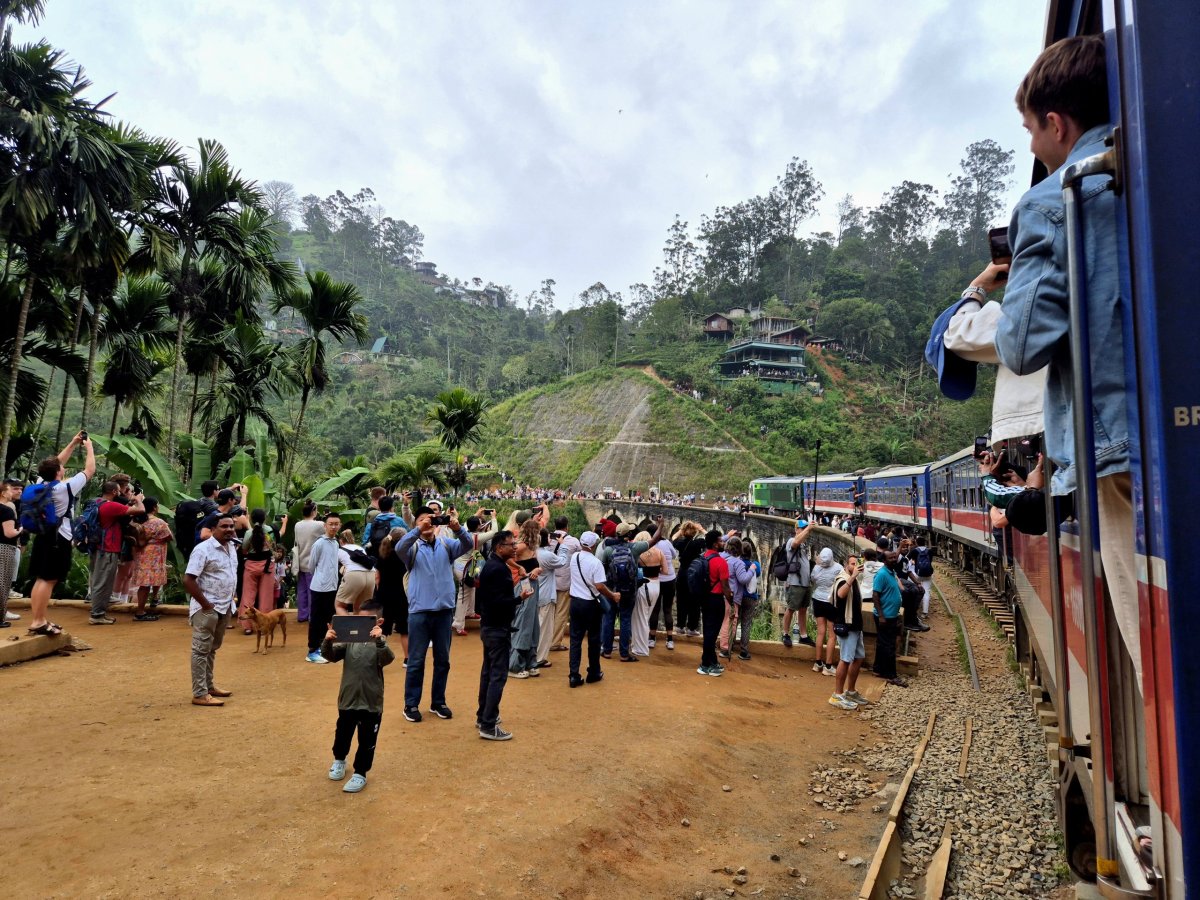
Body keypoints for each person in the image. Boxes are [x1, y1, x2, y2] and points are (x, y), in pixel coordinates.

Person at [395, 507, 474, 723]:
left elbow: (468, 545)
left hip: (443, 612)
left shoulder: (446, 545)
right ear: (417, 525)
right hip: (420, 611)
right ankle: (411, 704)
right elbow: (399, 547)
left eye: (430, 521)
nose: (427, 524)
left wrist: (458, 529)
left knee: (443, 660)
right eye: (422, 521)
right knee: (416, 660)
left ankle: (438, 702)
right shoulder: (412, 549)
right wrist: (417, 529)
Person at [321, 598, 394, 792]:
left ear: (379, 622)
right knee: (343, 734)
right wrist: (327, 641)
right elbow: (330, 656)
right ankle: (339, 760)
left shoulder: (381, 643)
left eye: (366, 621)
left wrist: (379, 640)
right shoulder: (350, 642)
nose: (359, 625)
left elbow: (388, 659)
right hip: (348, 699)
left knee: (367, 740)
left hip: (371, 702)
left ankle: (360, 772)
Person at [26, 433, 95, 636]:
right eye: (60, 468)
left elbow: (56, 463)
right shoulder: (65, 488)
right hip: (59, 538)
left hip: (43, 535)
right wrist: (89, 447)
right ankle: (38, 621)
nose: (63, 467)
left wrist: (73, 443)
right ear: (57, 472)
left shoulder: (41, 483)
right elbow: (90, 470)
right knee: (48, 579)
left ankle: (39, 619)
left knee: (42, 578)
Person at [475, 530, 533, 740]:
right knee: (497, 675)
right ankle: (488, 724)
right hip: (497, 628)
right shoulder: (498, 569)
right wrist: (520, 598)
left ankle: (484, 716)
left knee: (488, 673)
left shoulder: (493, 565)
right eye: (511, 544)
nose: (515, 547)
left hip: (490, 626)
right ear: (500, 547)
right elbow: (498, 601)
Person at [183, 514, 239, 707]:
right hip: (207, 608)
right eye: (224, 526)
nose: (229, 529)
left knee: (211, 649)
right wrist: (206, 605)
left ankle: (209, 686)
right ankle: (199, 693)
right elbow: (188, 579)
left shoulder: (232, 547)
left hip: (224, 606)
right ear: (213, 529)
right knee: (200, 650)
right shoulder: (203, 549)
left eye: (231, 526)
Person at [598, 517, 663, 662]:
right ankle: (624, 654)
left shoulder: (608, 550)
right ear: (628, 534)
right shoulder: (634, 548)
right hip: (629, 591)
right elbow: (656, 539)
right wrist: (661, 524)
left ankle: (607, 651)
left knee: (609, 619)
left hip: (612, 590)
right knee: (625, 620)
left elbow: (602, 569)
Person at [85, 479, 144, 625]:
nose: (120, 493)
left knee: (98, 579)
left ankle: (99, 610)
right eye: (118, 490)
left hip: (97, 546)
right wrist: (138, 500)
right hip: (108, 548)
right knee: (103, 581)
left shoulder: (98, 502)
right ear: (113, 492)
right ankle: (97, 615)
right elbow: (141, 510)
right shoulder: (111, 506)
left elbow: (120, 511)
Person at [566, 531, 620, 688]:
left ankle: (574, 675)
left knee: (575, 640)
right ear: (594, 545)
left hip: (575, 602)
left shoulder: (574, 557)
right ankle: (594, 672)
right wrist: (613, 595)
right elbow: (599, 586)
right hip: (590, 604)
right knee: (594, 639)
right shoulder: (596, 563)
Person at [829, 555, 871, 710]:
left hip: (856, 625)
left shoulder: (853, 579)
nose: (855, 566)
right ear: (846, 565)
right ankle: (837, 695)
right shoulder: (843, 578)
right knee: (845, 659)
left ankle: (851, 691)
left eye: (857, 563)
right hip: (846, 625)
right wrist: (853, 577)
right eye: (852, 564)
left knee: (858, 658)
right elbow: (840, 594)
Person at [306, 514, 342, 664]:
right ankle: (312, 650)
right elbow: (311, 566)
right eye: (331, 524)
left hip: (332, 587)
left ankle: (324, 647)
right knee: (316, 619)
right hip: (319, 587)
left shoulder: (335, 543)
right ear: (325, 526)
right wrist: (322, 577)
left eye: (336, 524)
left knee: (328, 618)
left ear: (339, 525)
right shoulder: (319, 543)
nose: (333, 526)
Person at [130, 497, 172, 621]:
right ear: (154, 508)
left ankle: (147, 605)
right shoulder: (159, 522)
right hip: (155, 554)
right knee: (148, 582)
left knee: (145, 581)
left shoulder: (137, 520)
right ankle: (141, 611)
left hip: (140, 552)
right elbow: (169, 536)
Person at [696, 529, 731, 677]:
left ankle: (712, 661)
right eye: (721, 541)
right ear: (715, 544)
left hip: (704, 598)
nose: (723, 543)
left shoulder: (703, 557)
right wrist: (731, 600)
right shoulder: (721, 562)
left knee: (708, 631)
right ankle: (705, 664)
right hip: (716, 599)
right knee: (712, 633)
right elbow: (725, 586)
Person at [534, 527, 570, 667]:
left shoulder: (534, 552)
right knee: (545, 629)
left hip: (535, 594)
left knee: (536, 626)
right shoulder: (546, 555)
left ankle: (533, 654)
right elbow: (561, 561)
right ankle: (539, 658)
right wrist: (562, 546)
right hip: (546, 595)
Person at [237, 508, 277, 632]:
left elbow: (244, 550)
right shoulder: (269, 531)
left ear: (251, 519)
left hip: (251, 565)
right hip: (267, 565)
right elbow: (273, 547)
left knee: (248, 595)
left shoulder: (249, 533)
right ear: (264, 518)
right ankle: (265, 626)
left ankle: (247, 627)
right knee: (266, 596)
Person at [375, 527, 409, 665]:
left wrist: (379, 592)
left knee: (383, 626)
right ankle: (408, 659)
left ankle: (378, 657)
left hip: (385, 594)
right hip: (402, 594)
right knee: (404, 629)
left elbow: (377, 577)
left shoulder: (383, 553)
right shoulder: (404, 555)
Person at [779, 520, 816, 649]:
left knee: (803, 609)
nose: (806, 530)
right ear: (797, 529)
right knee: (791, 608)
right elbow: (796, 542)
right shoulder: (791, 541)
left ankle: (803, 636)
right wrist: (809, 529)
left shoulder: (804, 544)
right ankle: (785, 634)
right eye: (803, 528)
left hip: (805, 583)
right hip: (795, 582)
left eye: (806, 528)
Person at [872, 551, 905, 687]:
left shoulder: (891, 572)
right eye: (890, 558)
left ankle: (878, 669)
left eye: (894, 557)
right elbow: (875, 595)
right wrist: (881, 616)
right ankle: (892, 675)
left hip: (891, 615)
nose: (893, 559)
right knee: (889, 646)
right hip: (885, 616)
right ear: (884, 560)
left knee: (882, 644)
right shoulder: (882, 574)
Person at [810, 548, 844, 676]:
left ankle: (818, 663)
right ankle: (828, 666)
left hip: (817, 599)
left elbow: (813, 580)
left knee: (820, 632)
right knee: (831, 635)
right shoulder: (838, 568)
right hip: (830, 601)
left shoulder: (816, 568)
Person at [547, 516, 580, 652]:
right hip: (565, 582)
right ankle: (555, 642)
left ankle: (544, 639)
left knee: (547, 612)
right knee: (561, 613)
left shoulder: (547, 538)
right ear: (567, 526)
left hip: (548, 581)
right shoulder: (573, 541)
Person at [631, 530, 662, 657]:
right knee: (646, 616)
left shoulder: (639, 554)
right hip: (656, 585)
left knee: (640, 616)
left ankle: (640, 648)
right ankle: (639, 644)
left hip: (644, 586)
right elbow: (665, 570)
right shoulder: (659, 552)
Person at [292, 499, 323, 624]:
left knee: (302, 590)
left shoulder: (297, 525)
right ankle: (312, 615)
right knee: (313, 590)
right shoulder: (319, 525)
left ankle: (302, 615)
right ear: (314, 511)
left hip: (300, 561)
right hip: (313, 563)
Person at [672, 521, 705, 637]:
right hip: (694, 575)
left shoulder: (680, 543)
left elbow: (673, 538)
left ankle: (680, 626)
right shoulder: (698, 543)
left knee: (681, 600)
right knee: (694, 602)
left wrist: (681, 531)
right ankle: (692, 627)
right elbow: (710, 538)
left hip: (682, 573)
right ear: (694, 532)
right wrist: (701, 529)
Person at [173, 479, 218, 562]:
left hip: (188, 540)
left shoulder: (199, 502)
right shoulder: (213, 507)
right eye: (218, 489)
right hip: (203, 542)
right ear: (214, 491)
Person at [648, 529, 678, 650]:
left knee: (655, 609)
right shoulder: (666, 543)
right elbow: (674, 555)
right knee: (667, 609)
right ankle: (670, 639)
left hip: (657, 579)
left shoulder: (650, 544)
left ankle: (652, 638)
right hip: (670, 578)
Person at [334, 529, 375, 614]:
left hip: (354, 575)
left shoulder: (339, 549)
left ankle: (349, 627)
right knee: (360, 608)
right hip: (371, 575)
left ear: (341, 541)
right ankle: (362, 627)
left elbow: (334, 566)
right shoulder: (360, 548)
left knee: (340, 606)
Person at [0, 480, 23, 627]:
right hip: (4, 548)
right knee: (3, 582)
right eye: (9, 490)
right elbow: (9, 533)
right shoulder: (6, 510)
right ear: (3, 493)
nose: (12, 493)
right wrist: (20, 529)